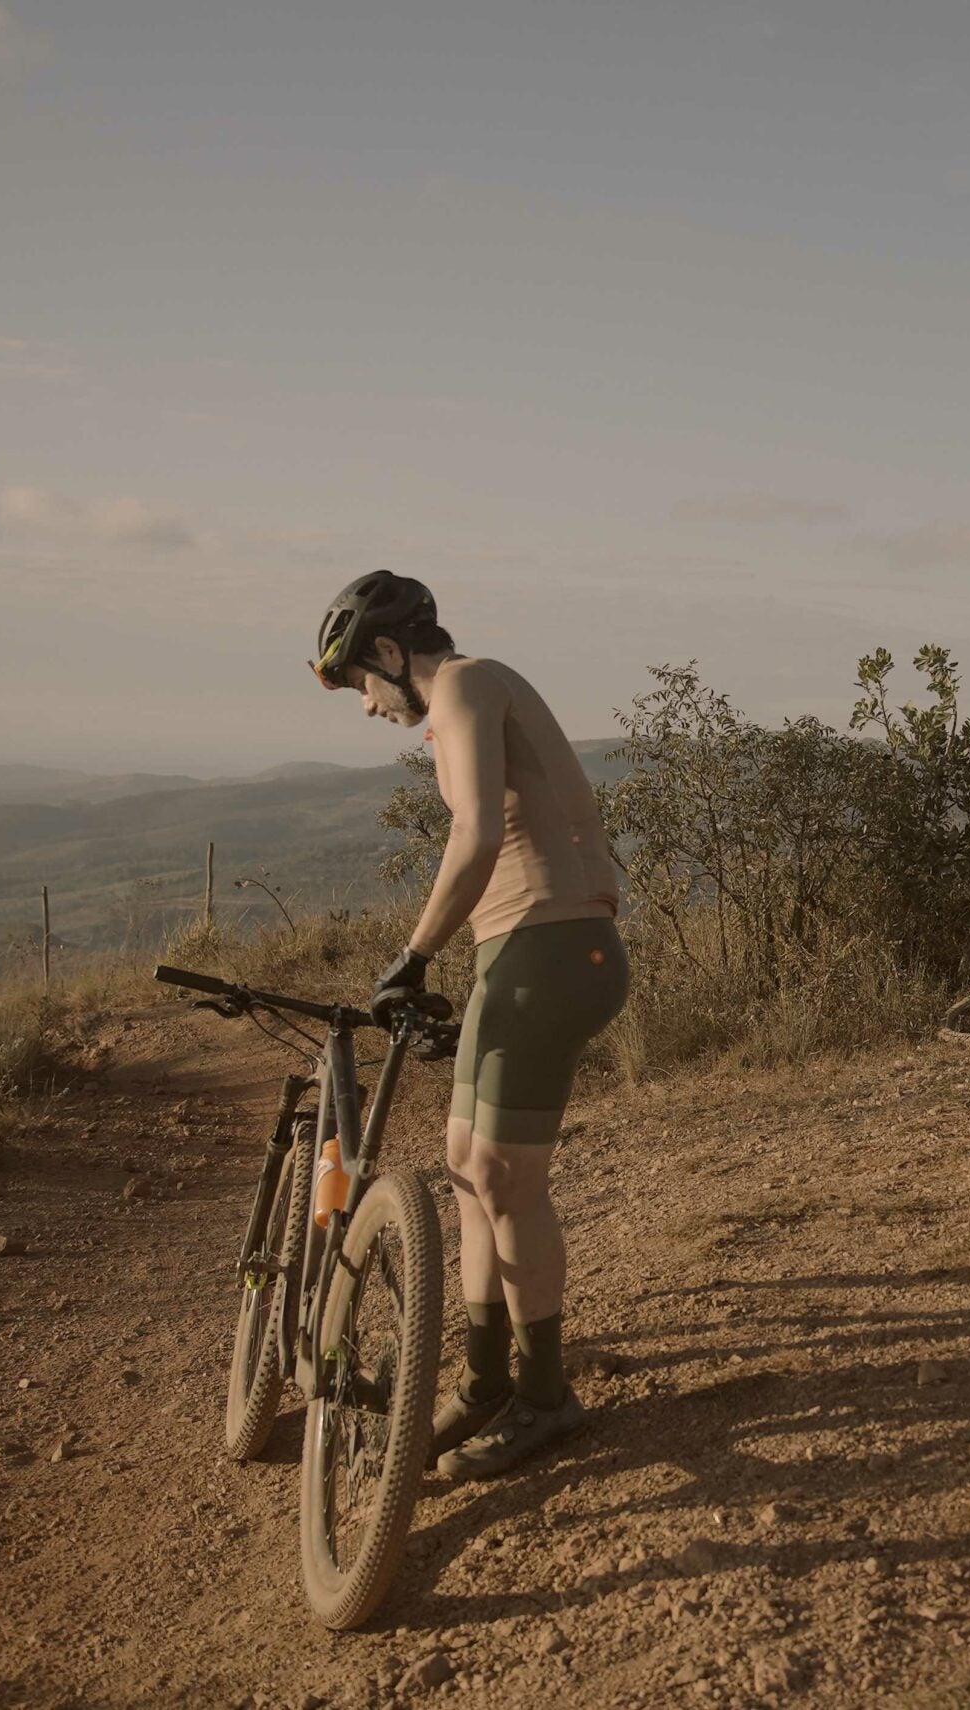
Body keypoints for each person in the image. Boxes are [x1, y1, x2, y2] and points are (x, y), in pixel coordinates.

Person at [310, 570, 631, 1474]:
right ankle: (486, 1379)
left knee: (502, 1178)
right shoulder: (478, 688)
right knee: (464, 1164)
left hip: (552, 948)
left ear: (387, 651)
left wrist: (412, 955)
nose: (369, 707)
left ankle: (543, 1396)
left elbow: (479, 835)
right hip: (523, 947)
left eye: (361, 684)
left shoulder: (460, 685)